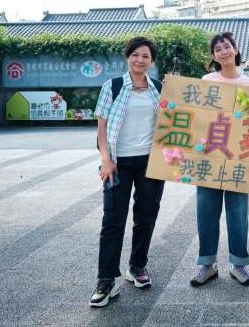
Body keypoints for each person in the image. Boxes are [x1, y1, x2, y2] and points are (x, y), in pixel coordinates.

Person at [90, 37, 165, 307]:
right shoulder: (113, 86)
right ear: (127, 57)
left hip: (150, 162)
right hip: (117, 163)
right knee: (113, 220)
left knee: (146, 216)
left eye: (145, 56)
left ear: (151, 61)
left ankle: (138, 267)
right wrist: (106, 159)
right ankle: (106, 280)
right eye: (135, 55)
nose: (140, 60)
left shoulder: (158, 88)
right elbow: (101, 127)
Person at [189, 32, 249, 288]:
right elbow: (197, 113)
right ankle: (206, 265)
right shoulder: (207, 80)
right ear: (214, 56)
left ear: (236, 50)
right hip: (210, 152)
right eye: (218, 49)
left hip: (239, 155)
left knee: (238, 211)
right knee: (206, 209)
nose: (224, 51)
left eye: (227, 46)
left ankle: (238, 264)